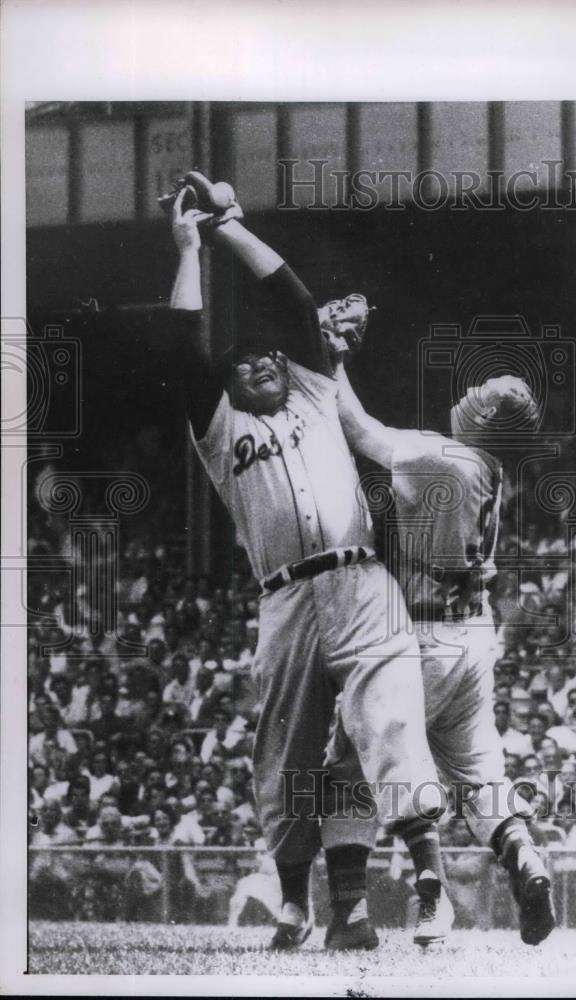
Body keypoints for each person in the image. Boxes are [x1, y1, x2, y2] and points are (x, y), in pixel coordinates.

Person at [163, 173, 440, 950]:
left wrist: (226, 227)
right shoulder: (218, 432)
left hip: (358, 580)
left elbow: (290, 298)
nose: (256, 363)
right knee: (286, 754)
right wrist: (186, 250)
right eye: (240, 363)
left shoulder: (318, 393)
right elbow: (184, 350)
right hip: (283, 599)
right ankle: (294, 904)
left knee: (377, 729)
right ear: (226, 388)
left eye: (269, 357)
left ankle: (407, 882)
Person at [319, 361, 555, 947]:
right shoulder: (492, 468)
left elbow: (357, 426)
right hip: (473, 635)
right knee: (477, 772)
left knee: (349, 768)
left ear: (480, 420)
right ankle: (524, 854)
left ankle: (408, 900)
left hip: (418, 636)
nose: (465, 398)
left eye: (476, 398)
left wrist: (336, 358)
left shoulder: (441, 457)